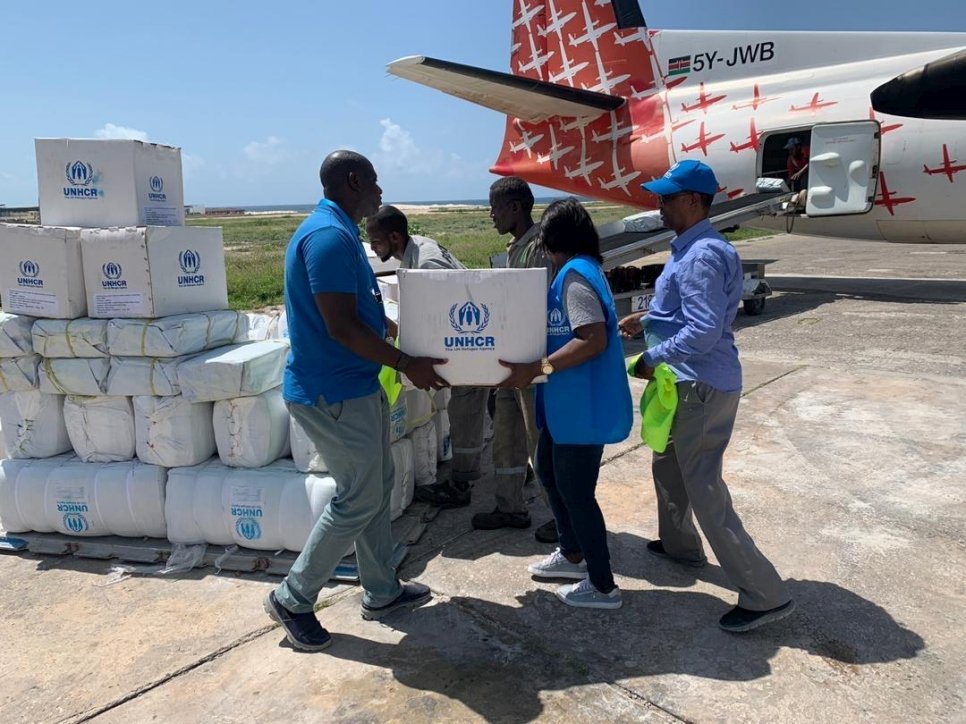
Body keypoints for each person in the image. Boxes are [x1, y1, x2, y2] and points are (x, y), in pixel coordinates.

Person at [264, 151, 448, 651]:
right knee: (358, 496)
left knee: (377, 484)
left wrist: (403, 337)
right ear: (351, 180)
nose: (380, 190)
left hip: (355, 387)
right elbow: (340, 326)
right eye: (373, 181)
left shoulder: (340, 232)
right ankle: (293, 596)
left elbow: (363, 312)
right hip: (332, 391)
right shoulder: (328, 237)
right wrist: (405, 363)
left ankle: (382, 591)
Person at [619, 159, 796, 632]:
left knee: (705, 488)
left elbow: (702, 330)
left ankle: (764, 594)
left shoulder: (700, 255)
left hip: (698, 383)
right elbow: (685, 312)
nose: (659, 205)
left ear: (694, 201)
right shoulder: (691, 248)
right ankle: (680, 547)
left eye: (667, 198)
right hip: (688, 384)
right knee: (667, 462)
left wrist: (652, 358)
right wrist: (648, 321)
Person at [501, 198, 632, 609]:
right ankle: (572, 553)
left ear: (552, 238)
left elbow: (592, 338)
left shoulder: (575, 276)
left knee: (577, 491)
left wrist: (538, 366)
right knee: (548, 471)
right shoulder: (579, 270)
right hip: (565, 406)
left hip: (581, 406)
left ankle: (603, 585)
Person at [366, 204, 489, 508]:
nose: (372, 247)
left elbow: (454, 312)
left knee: (465, 414)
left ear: (395, 236)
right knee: (476, 411)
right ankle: (513, 471)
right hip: (468, 345)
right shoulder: (420, 248)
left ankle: (461, 487)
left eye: (376, 240)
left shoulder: (427, 264)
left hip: (470, 345)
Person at [471, 177, 556, 535]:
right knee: (506, 436)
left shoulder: (540, 247)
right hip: (507, 360)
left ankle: (559, 517)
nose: (491, 215)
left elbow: (541, 306)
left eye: (496, 207)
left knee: (538, 441)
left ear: (516, 208)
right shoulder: (515, 247)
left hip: (531, 362)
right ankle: (510, 506)